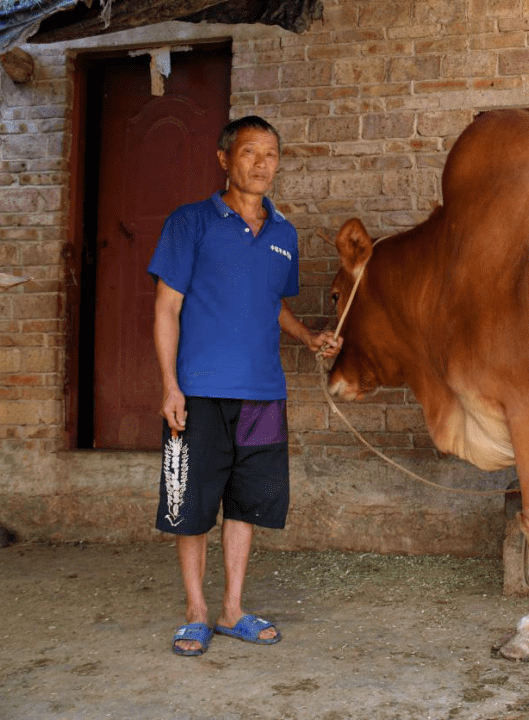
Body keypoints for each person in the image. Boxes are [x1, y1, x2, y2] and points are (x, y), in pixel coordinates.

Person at [148, 115, 339, 656]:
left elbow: (272, 303)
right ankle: (196, 612)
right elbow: (166, 308)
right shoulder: (190, 222)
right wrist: (170, 386)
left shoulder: (283, 234)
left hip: (263, 392)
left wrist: (307, 337)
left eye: (271, 154)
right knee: (191, 504)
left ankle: (232, 610)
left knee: (247, 503)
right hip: (200, 391)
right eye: (250, 153)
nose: (262, 164)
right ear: (224, 159)